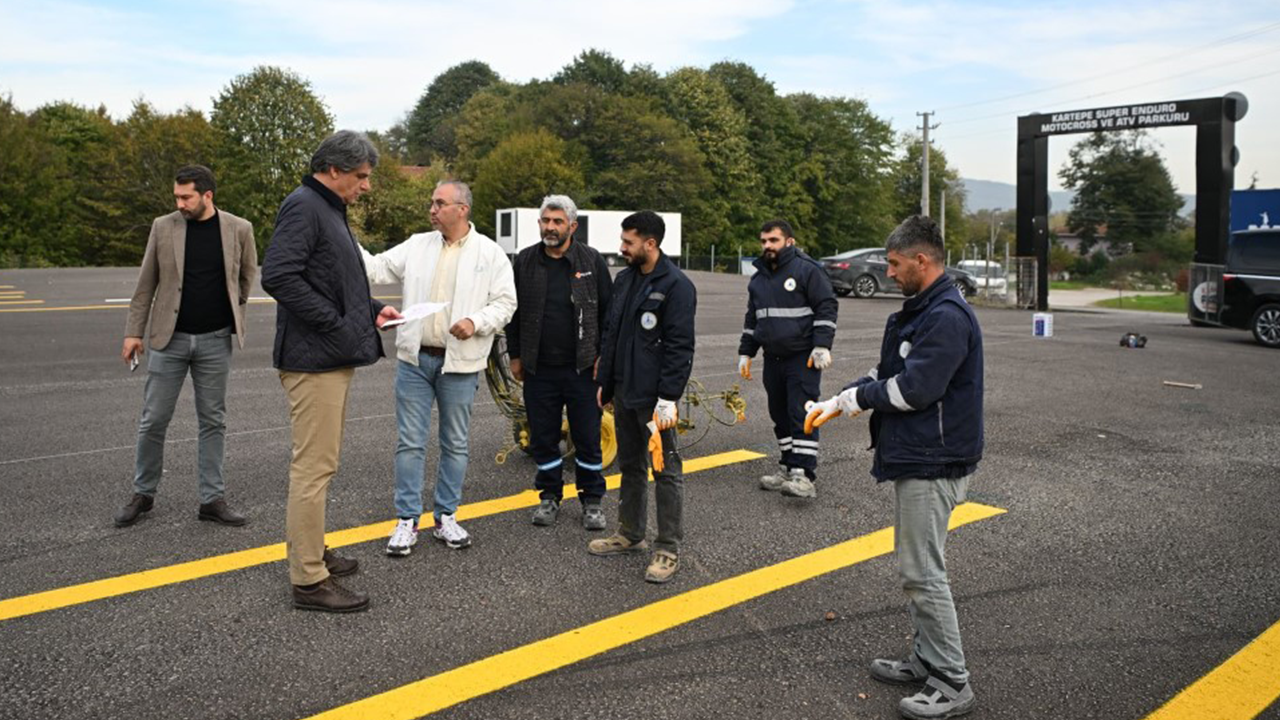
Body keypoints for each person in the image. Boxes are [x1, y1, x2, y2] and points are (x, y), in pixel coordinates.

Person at [805, 214, 983, 719]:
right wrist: (841, 400)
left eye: (895, 263)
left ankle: (951, 679)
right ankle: (927, 659)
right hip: (919, 455)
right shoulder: (920, 311)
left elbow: (915, 389)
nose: (889, 272)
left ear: (922, 261)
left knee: (923, 573)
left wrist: (858, 398)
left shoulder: (946, 316)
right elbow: (889, 372)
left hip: (935, 460)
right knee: (918, 569)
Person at [260, 130, 402, 613]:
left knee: (323, 464)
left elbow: (336, 280)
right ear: (335, 170)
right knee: (314, 469)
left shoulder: (327, 208)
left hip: (328, 354)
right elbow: (278, 275)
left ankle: (313, 551)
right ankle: (308, 580)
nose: (366, 186)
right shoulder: (305, 205)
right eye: (361, 177)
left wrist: (372, 308)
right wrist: (337, 323)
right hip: (313, 359)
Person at [361, 180, 516, 557]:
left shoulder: (490, 254)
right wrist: (342, 236)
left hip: (459, 364)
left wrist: (476, 322)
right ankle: (407, 520)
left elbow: (506, 302)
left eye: (439, 203)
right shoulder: (418, 244)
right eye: (432, 202)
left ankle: (446, 515)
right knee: (410, 442)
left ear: (462, 209)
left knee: (455, 443)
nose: (432, 209)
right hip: (415, 360)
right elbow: (377, 268)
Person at [116, 165, 257, 528]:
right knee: (153, 419)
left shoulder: (239, 229)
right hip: (168, 340)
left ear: (207, 195)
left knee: (213, 420)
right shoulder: (164, 227)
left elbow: (245, 276)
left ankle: (212, 499)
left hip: (214, 341)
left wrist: (233, 309)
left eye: (186, 197)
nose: (179, 203)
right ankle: (143, 494)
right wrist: (134, 332)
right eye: (176, 196)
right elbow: (146, 283)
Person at [588, 211, 695, 583]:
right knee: (630, 466)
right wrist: (604, 381)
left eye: (629, 242)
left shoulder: (677, 286)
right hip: (625, 392)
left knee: (665, 471)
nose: (622, 248)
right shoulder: (626, 279)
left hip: (655, 400)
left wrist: (669, 397)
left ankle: (667, 548)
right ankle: (631, 534)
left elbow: (680, 348)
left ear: (651, 244)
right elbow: (611, 334)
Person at [507, 195, 613, 530]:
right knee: (543, 437)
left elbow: (608, 314)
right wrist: (515, 355)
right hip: (539, 369)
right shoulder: (524, 261)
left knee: (587, 436)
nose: (550, 227)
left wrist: (603, 359)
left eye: (557, 222)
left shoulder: (592, 261)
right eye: (545, 221)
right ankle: (549, 497)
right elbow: (513, 313)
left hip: (583, 369)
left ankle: (592, 501)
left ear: (572, 225)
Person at [738, 219, 837, 499]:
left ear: (789, 242)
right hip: (773, 359)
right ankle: (787, 466)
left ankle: (804, 475)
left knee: (801, 414)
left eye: (774, 240)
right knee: (779, 415)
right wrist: (746, 351)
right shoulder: (759, 278)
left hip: (801, 359)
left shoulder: (808, 270)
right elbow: (753, 317)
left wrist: (821, 345)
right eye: (764, 241)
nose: (767, 246)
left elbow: (826, 306)